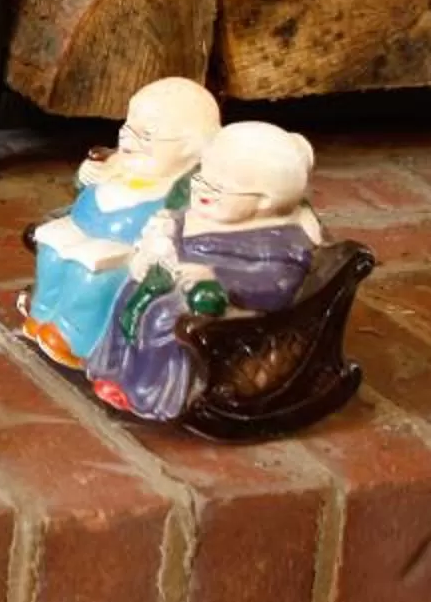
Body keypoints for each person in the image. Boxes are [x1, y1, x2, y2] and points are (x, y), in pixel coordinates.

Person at [85, 122, 325, 422]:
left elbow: (278, 284)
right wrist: (159, 240)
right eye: (201, 177)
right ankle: (116, 369)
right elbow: (173, 235)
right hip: (177, 281)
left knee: (162, 318)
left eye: (217, 188)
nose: (200, 189)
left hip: (226, 306)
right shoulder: (202, 214)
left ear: (264, 201)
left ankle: (149, 391)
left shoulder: (277, 240)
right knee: (127, 293)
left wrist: (216, 279)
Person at [21, 76, 223, 370]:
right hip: (80, 229)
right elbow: (85, 182)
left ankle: (73, 336)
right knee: (51, 257)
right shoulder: (119, 164)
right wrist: (87, 173)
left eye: (147, 136)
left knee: (91, 280)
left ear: (191, 148)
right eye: (128, 127)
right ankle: (42, 312)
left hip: (122, 249)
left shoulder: (183, 188)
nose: (129, 140)